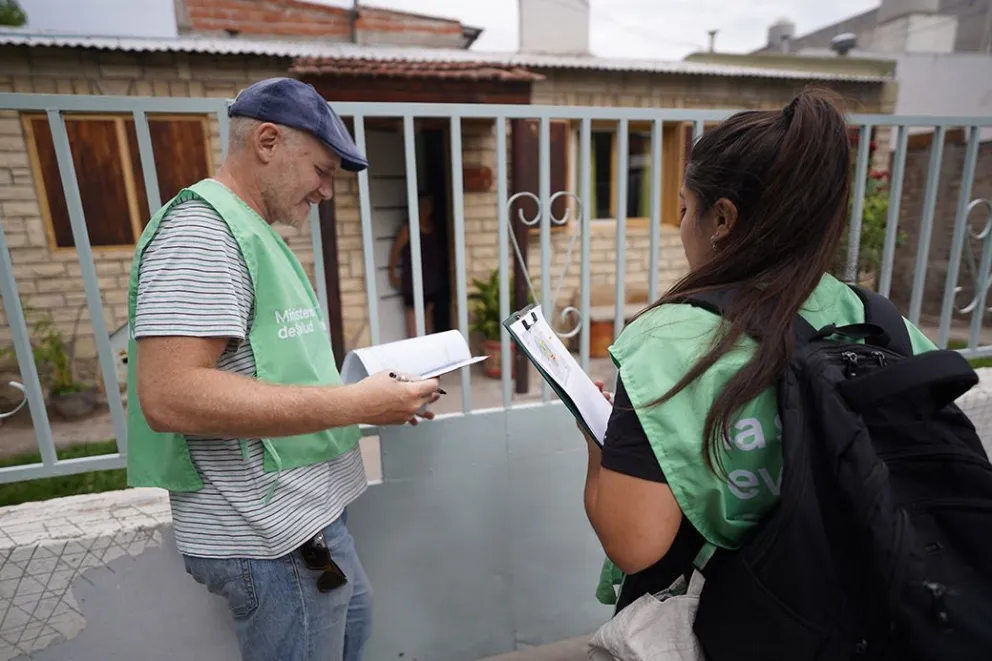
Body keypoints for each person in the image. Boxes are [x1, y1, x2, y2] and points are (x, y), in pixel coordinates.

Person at [582, 88, 939, 614]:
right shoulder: (881, 321)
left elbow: (635, 545)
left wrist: (597, 445)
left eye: (685, 207)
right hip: (881, 613)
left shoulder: (667, 344)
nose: (682, 225)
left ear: (722, 219)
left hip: (746, 623)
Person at [124, 77, 441, 661]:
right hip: (267, 537)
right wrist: (357, 405)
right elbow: (169, 394)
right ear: (267, 141)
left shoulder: (247, 230)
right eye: (321, 170)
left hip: (304, 523)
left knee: (354, 634)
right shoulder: (202, 233)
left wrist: (374, 397)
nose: (325, 191)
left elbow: (271, 369)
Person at [388, 192, 445, 337]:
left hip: (431, 282)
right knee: (414, 324)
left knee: (428, 322)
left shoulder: (433, 226)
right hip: (413, 282)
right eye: (424, 205)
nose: (427, 209)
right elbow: (396, 250)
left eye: (429, 205)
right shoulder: (409, 228)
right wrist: (392, 273)